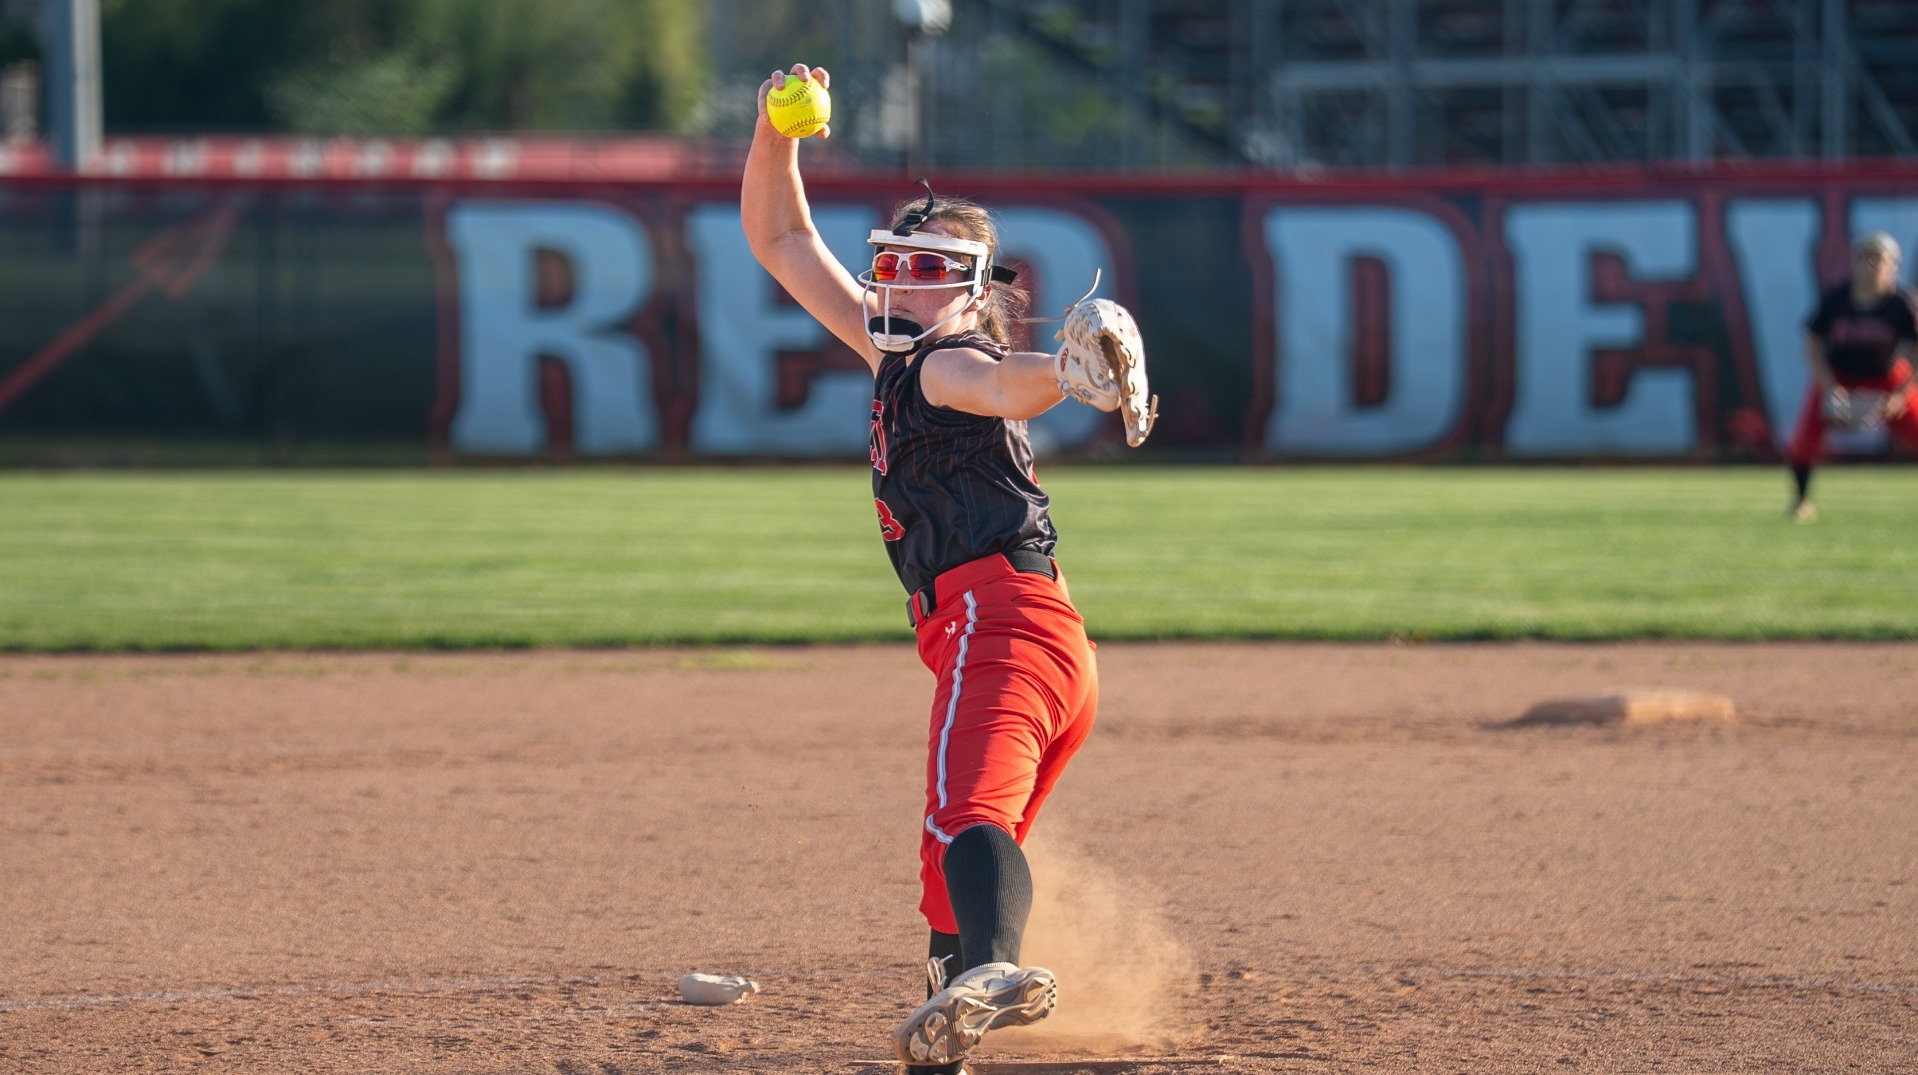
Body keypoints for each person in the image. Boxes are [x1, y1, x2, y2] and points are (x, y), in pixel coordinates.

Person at [740, 63, 1154, 1073]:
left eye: (929, 271)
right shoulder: (897, 354)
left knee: (960, 815)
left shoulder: (948, 361)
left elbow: (1006, 384)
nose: (899, 283)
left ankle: (997, 969)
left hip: (997, 626)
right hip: (1038, 643)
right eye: (895, 265)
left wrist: (1067, 373)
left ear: (971, 293)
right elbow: (782, 242)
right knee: (947, 862)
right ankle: (950, 1013)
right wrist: (773, 131)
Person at [1785, 230, 1918, 522]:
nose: (1873, 267)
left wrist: (1901, 394)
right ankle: (1801, 500)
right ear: (1854, 262)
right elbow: (1812, 343)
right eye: (1866, 259)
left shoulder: (1903, 304)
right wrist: (1828, 385)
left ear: (1893, 265)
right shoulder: (1837, 299)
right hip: (1840, 375)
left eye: (1880, 260)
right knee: (1805, 439)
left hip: (1887, 376)